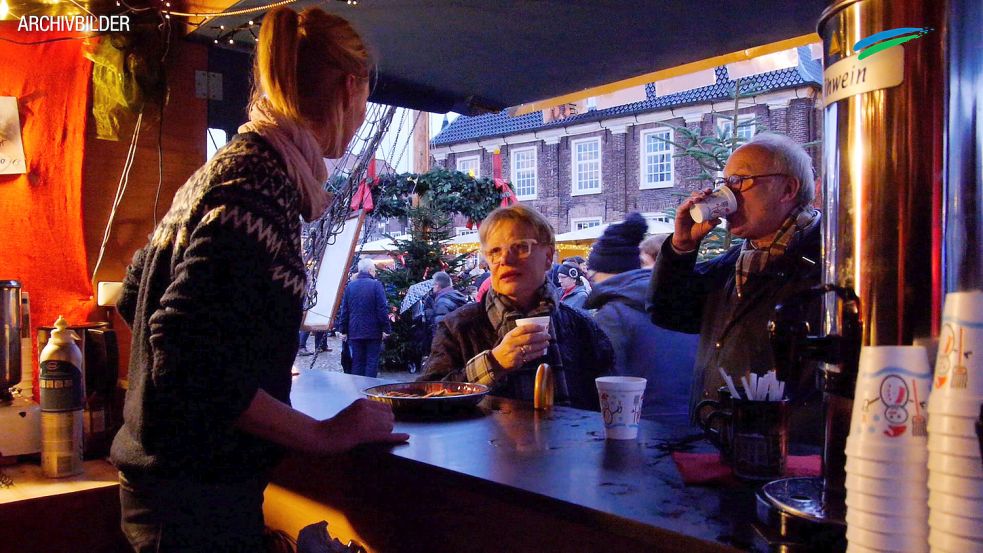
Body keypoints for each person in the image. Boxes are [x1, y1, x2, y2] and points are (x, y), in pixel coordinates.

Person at [110, 8, 408, 552]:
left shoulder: (228, 168)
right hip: (195, 496)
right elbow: (185, 352)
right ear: (349, 88)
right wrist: (322, 434)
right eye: (365, 100)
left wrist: (239, 371)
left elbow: (135, 294)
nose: (364, 115)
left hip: (171, 486)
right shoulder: (259, 181)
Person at [647, 132, 822, 441]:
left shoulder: (824, 262)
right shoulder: (735, 261)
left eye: (739, 181)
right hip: (715, 441)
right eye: (724, 183)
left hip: (779, 458)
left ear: (788, 189)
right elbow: (668, 313)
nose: (727, 194)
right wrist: (681, 248)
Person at [421, 205, 614, 410]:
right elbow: (425, 400)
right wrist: (493, 363)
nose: (504, 259)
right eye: (495, 251)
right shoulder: (458, 327)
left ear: (548, 257)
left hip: (564, 443)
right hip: (488, 444)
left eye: (520, 247)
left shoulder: (582, 329)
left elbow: (607, 405)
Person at [585, 213, 697, 418]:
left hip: (641, 430)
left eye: (592, 272)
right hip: (696, 425)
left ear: (603, 270)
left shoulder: (613, 314)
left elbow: (608, 385)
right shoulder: (682, 299)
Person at [336, 258, 392, 378]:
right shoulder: (376, 285)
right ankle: (369, 389)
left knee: (357, 362)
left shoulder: (350, 286)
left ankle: (357, 388)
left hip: (355, 331)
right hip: (373, 331)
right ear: (371, 270)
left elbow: (344, 310)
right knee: (371, 362)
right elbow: (382, 309)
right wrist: (386, 329)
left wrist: (343, 330)